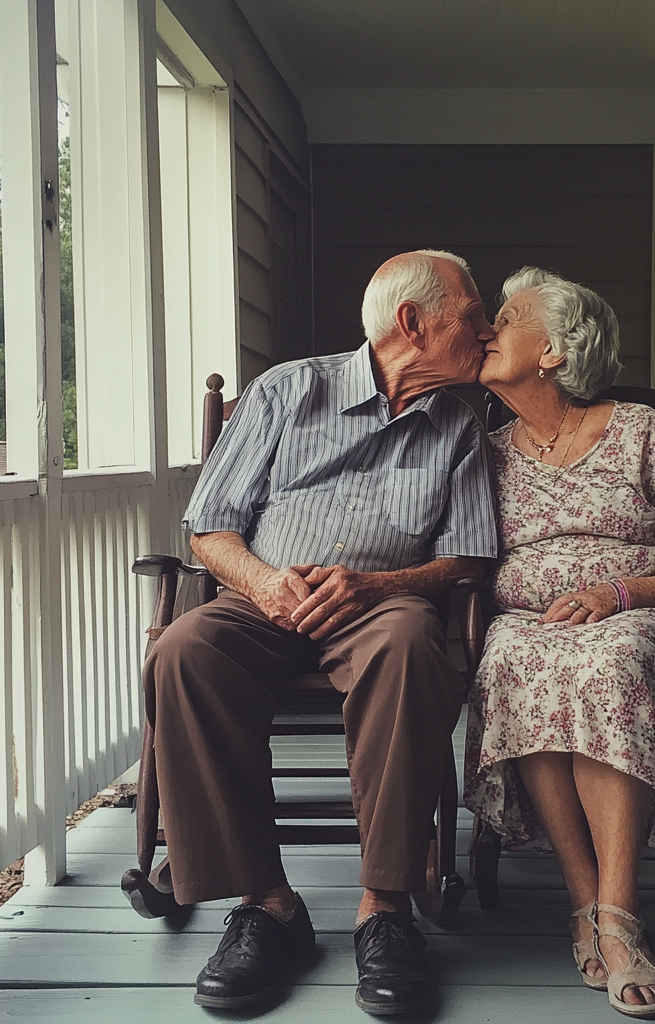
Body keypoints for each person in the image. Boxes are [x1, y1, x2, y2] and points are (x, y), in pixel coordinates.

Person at [143, 250, 497, 1015]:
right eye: (474, 314)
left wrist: (378, 584)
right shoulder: (287, 391)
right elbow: (210, 528)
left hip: (382, 607)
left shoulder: (460, 423)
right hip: (264, 597)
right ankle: (267, 906)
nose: (488, 328)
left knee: (409, 646)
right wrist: (268, 584)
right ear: (414, 323)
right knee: (183, 650)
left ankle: (386, 909)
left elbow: (466, 555)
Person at [464, 267, 655, 1020]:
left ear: (550, 352)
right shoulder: (484, 451)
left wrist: (616, 595)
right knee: (518, 658)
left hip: (642, 618)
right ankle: (587, 907)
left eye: (505, 319)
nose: (486, 329)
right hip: (530, 624)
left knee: (607, 661)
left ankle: (620, 916)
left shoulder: (641, 431)